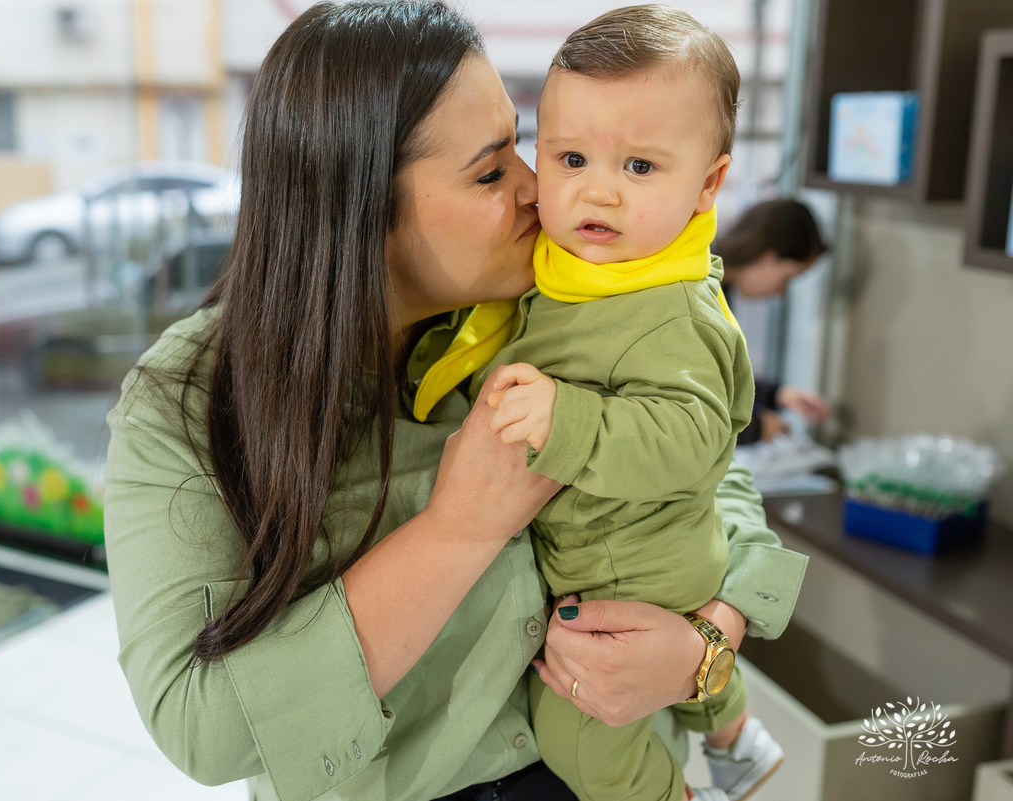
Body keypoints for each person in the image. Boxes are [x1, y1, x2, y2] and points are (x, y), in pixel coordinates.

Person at [101, 4, 808, 801]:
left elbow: (708, 463)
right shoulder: (192, 399)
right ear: (361, 209)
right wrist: (458, 529)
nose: (544, 191)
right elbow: (201, 726)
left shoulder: (552, 293)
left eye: (522, 145)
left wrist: (706, 642)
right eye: (491, 170)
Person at [409, 7, 772, 800]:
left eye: (640, 167)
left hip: (631, 571)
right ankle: (737, 734)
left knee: (578, 735)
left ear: (710, 182)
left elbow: (695, 443)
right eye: (571, 157)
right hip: (609, 557)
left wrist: (566, 421)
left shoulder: (671, 308)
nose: (597, 189)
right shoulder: (576, 266)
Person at [715, 198, 831, 445]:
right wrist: (754, 429)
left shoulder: (719, 286)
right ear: (768, 255)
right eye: (787, 278)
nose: (781, 292)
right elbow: (688, 398)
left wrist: (777, 395)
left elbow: (717, 372)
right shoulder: (700, 291)